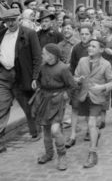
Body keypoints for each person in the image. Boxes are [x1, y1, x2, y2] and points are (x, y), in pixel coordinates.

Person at [0, 9, 42, 153]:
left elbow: (37, 57)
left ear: (19, 19)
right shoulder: (1, 34)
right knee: (2, 106)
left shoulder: (29, 34)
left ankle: (35, 130)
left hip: (22, 76)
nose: (10, 23)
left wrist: (35, 77)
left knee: (28, 106)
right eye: (7, 21)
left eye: (13, 19)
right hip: (4, 76)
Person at [32, 43, 75, 171]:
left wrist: (66, 95)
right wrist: (36, 83)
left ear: (51, 56)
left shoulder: (63, 68)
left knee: (55, 130)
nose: (42, 55)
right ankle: (49, 153)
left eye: (43, 53)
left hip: (57, 101)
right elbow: (39, 80)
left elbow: (72, 85)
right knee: (46, 129)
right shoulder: (42, 67)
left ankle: (62, 156)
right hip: (44, 100)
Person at [75, 38, 112, 168]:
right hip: (84, 97)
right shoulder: (82, 61)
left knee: (92, 124)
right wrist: (78, 80)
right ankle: (95, 134)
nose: (90, 48)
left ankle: (92, 154)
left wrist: (102, 87)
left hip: (97, 98)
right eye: (89, 46)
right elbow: (74, 76)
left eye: (93, 46)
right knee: (91, 124)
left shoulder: (106, 64)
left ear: (101, 50)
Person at [65, 24, 93, 148]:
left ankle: (89, 130)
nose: (84, 36)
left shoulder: (94, 47)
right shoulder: (76, 48)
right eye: (82, 34)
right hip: (78, 82)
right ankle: (72, 135)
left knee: (89, 108)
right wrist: (73, 80)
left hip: (91, 83)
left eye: (87, 34)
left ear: (91, 35)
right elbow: (72, 66)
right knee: (75, 107)